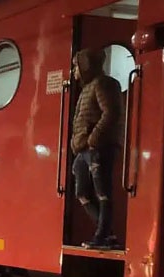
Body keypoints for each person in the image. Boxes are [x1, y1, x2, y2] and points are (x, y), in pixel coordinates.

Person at [70, 47, 122, 249]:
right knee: (82, 192)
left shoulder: (103, 84)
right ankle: (106, 233)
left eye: (76, 67)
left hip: (98, 147)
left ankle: (103, 236)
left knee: (103, 192)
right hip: (85, 150)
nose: (74, 72)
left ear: (85, 66)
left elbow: (112, 112)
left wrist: (93, 138)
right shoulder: (88, 87)